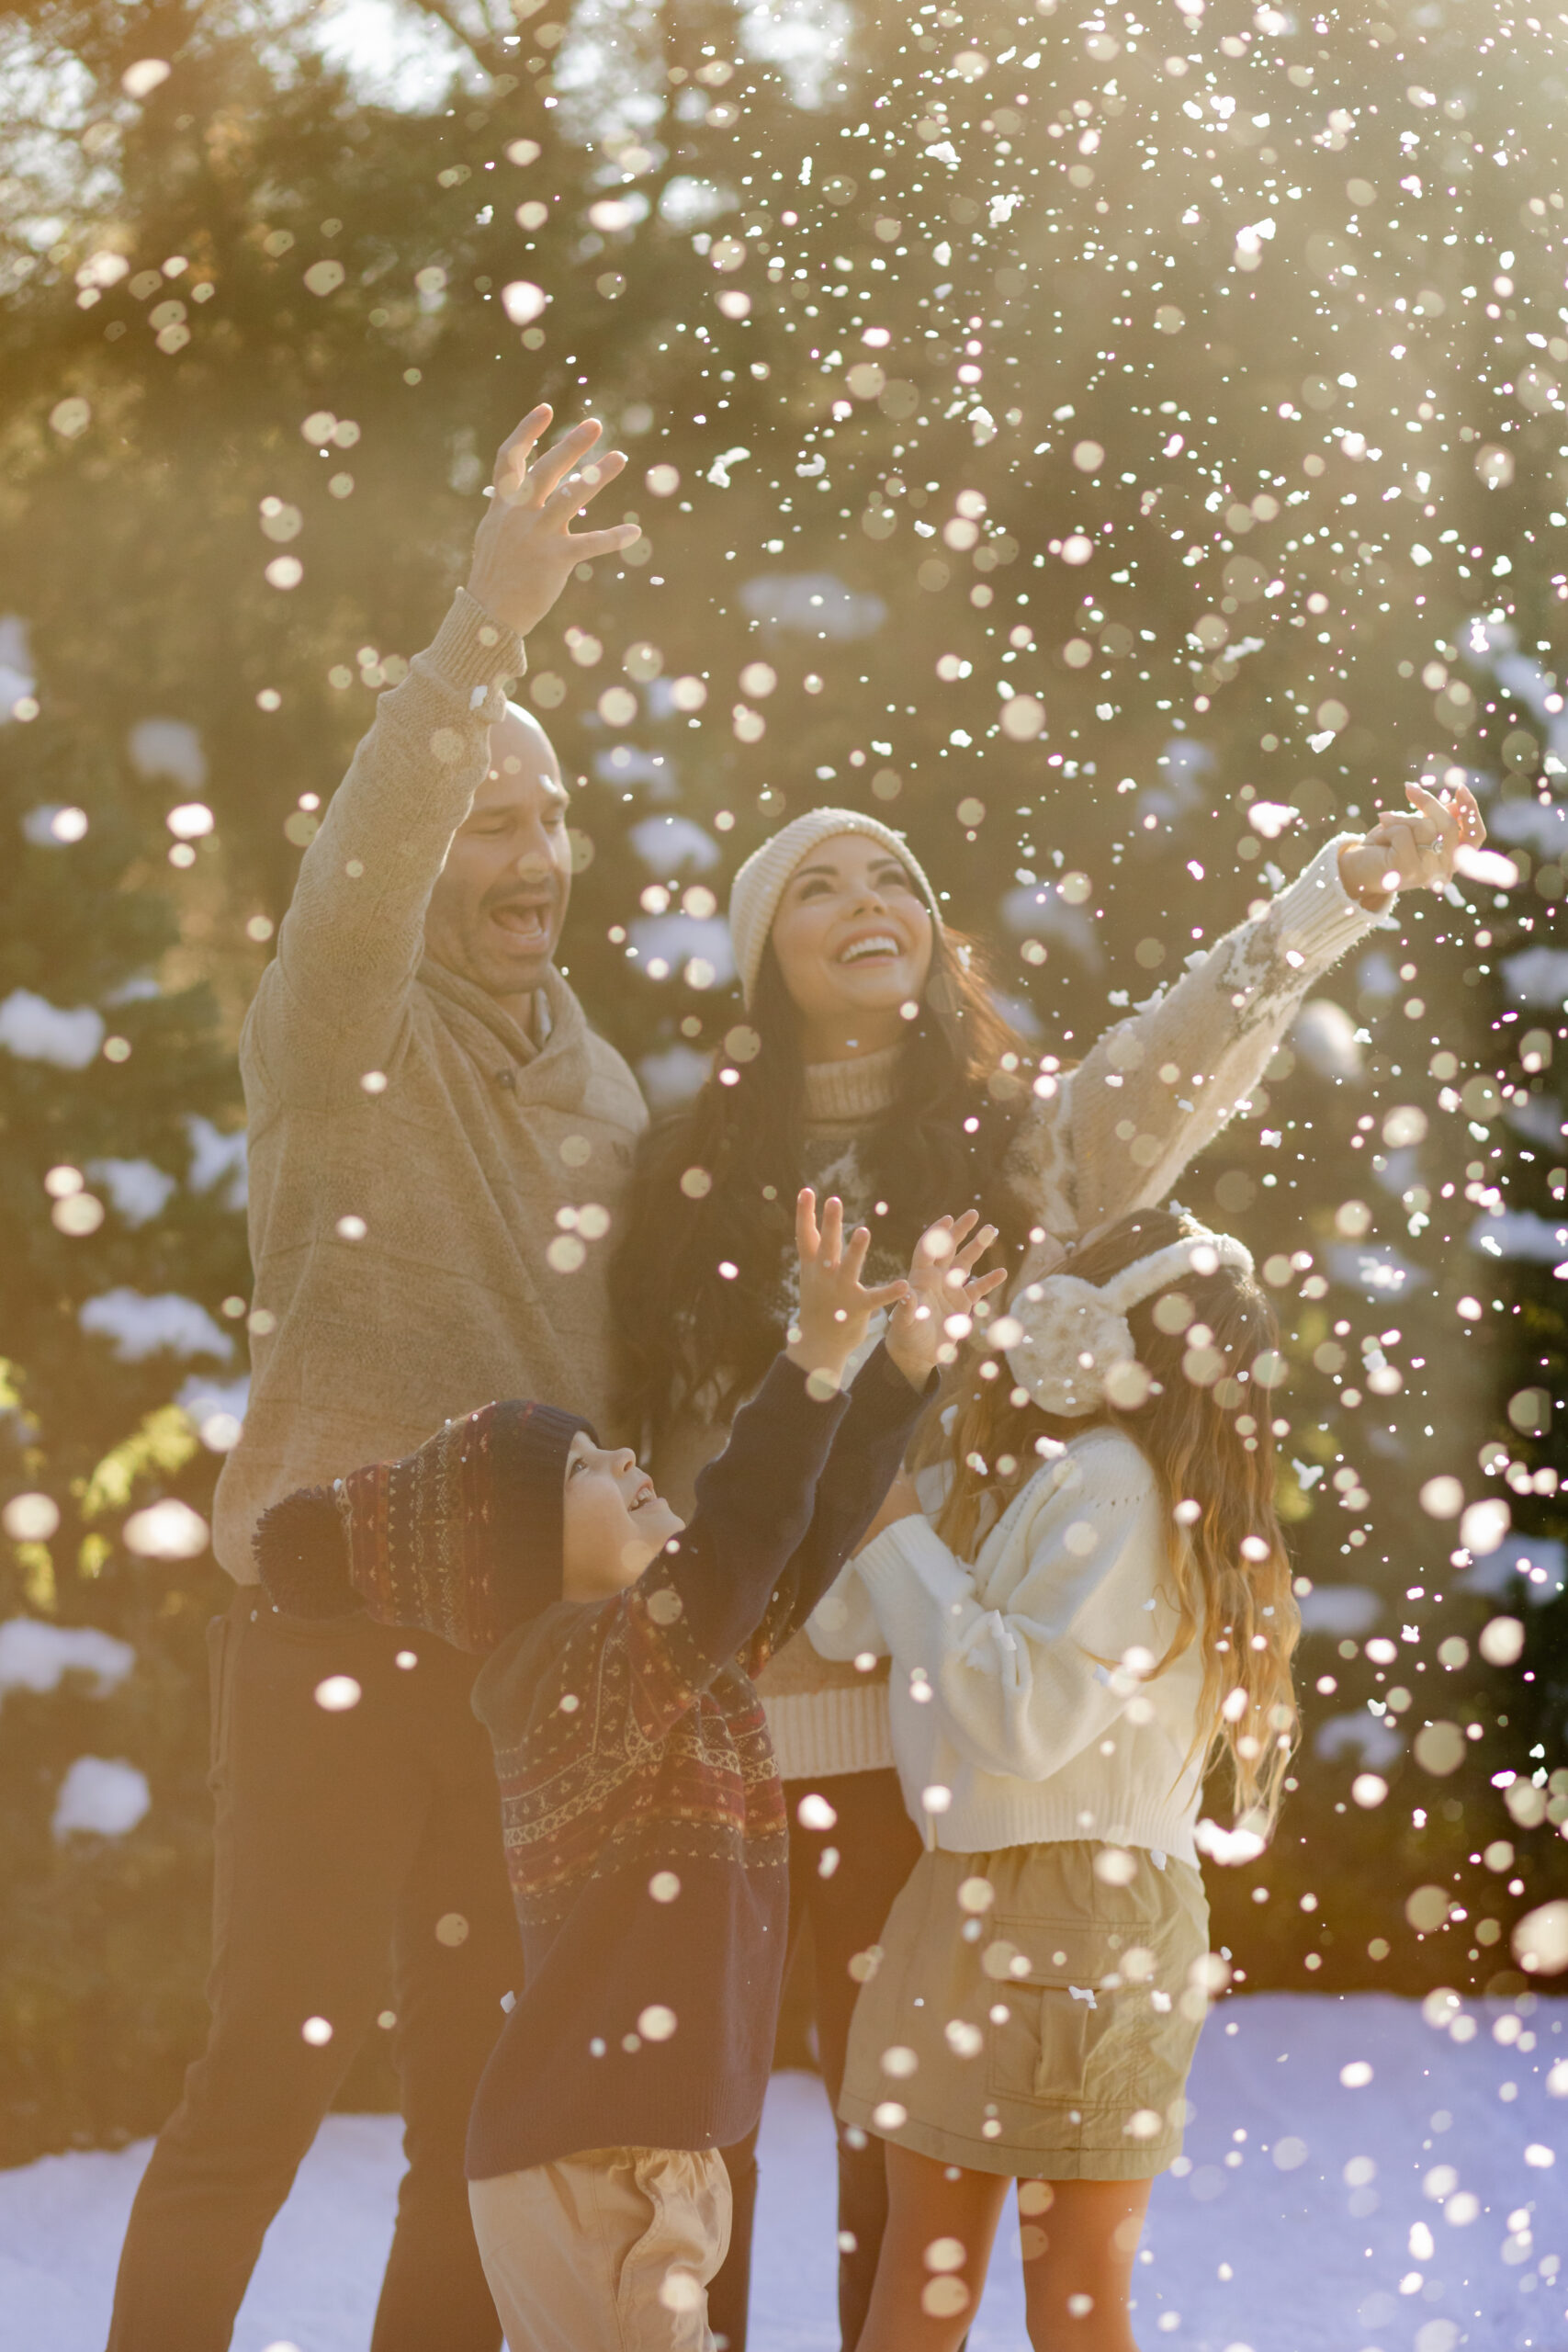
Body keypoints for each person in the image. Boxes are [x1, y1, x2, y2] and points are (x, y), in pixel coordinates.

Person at [612, 777, 1483, 2350]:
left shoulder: (1015, 1157)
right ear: (761, 956)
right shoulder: (685, 1184)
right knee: (694, 2137)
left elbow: (1181, 1051)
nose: (869, 898)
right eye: (818, 886)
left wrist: (1334, 889)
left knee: (900, 2153)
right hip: (722, 1730)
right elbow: (660, 1444)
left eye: (892, 873)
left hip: (921, 1743)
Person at [107, 408, 647, 2352]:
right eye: (492, 821)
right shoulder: (333, 1037)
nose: (535, 852)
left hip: (526, 1668)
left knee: (477, 2120)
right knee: (261, 2083)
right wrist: (481, 635)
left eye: (552, 816)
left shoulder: (611, 1089)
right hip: (334, 1638)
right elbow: (364, 859)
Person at [250, 1191, 1000, 2352]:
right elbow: (745, 1534)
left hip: (641, 2149)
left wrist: (899, 1369)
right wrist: (812, 1355)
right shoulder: (573, 1675)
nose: (629, 1460)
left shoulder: (660, 1667)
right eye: (585, 1470)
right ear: (519, 1566)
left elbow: (788, 1554)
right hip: (596, 2163)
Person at [809, 1209, 1300, 2352]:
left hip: (1069, 1907)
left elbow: (1019, 1718)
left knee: (1053, 2304)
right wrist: (902, 1478)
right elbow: (849, 1621)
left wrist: (894, 1531)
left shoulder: (1117, 1484)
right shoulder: (1075, 1476)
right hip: (996, 1897)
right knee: (944, 2298)